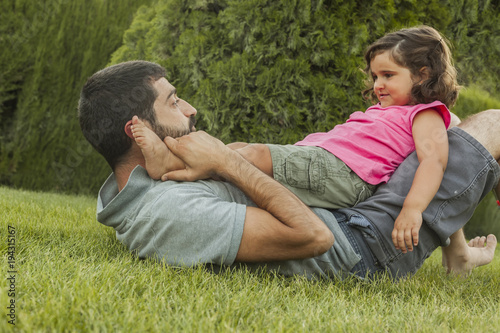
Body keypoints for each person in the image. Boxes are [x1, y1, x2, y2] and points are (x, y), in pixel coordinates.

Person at [78, 59, 497, 282]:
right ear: (136, 130)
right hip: (366, 247)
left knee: (442, 128)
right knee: (490, 124)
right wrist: (228, 162)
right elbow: (314, 237)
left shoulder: (146, 188)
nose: (190, 109)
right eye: (172, 102)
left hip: (352, 218)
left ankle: (457, 254)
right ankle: (457, 254)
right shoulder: (167, 213)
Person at [130, 26, 461, 254]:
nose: (377, 84)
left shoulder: (426, 113)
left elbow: (434, 160)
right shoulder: (386, 110)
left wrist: (413, 210)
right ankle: (180, 162)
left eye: (389, 75)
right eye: (375, 76)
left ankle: (170, 161)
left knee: (253, 153)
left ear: (423, 74)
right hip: (324, 164)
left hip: (343, 175)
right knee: (238, 150)